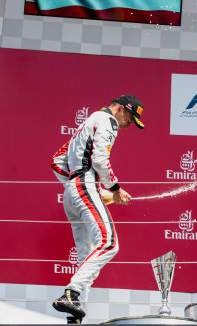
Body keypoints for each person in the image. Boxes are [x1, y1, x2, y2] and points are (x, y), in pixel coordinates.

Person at [50, 95, 145, 322]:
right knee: (109, 243)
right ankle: (70, 295)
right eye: (130, 119)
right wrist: (115, 189)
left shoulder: (88, 122)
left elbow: (56, 161)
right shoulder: (108, 120)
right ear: (121, 109)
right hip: (84, 186)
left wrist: (80, 186)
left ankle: (74, 316)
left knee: (87, 255)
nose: (127, 124)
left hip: (73, 192)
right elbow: (100, 160)